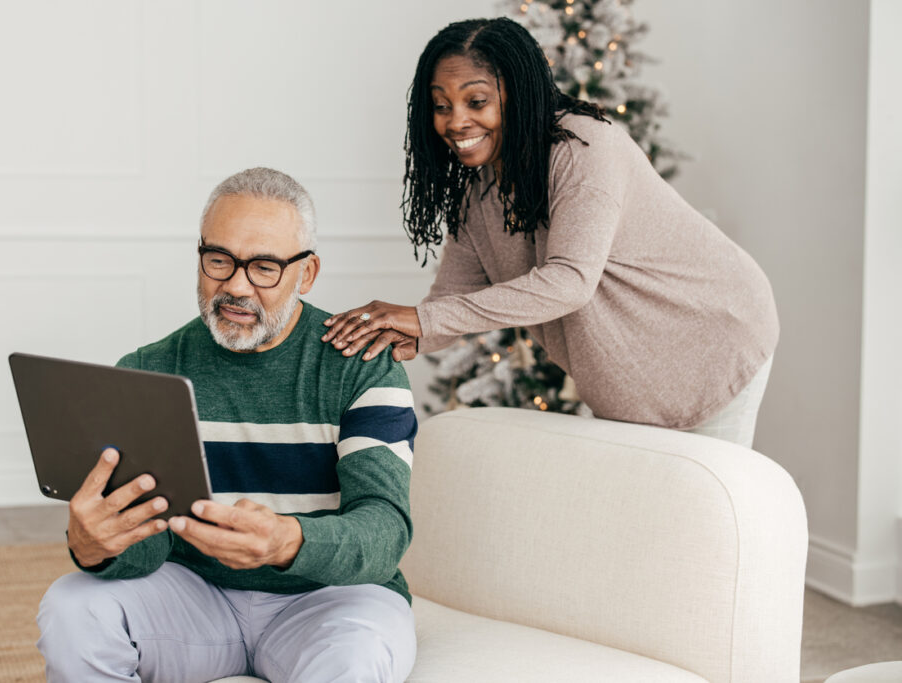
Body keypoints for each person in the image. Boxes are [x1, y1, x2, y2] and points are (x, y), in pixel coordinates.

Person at [322, 17, 778, 448]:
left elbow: (569, 282)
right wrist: (389, 336)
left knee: (704, 515)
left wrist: (423, 321)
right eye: (441, 106)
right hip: (631, 385)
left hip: (716, 341)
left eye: (476, 101)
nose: (455, 121)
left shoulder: (584, 148)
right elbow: (447, 305)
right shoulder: (477, 197)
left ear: (517, 94)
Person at [37, 167, 418, 683]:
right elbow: (149, 543)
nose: (235, 286)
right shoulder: (149, 369)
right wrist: (96, 545)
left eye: (264, 267)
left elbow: (384, 529)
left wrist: (288, 542)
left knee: (356, 659)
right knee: (71, 606)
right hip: (197, 596)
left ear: (306, 274)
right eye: (218, 260)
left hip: (329, 600)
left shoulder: (363, 364)